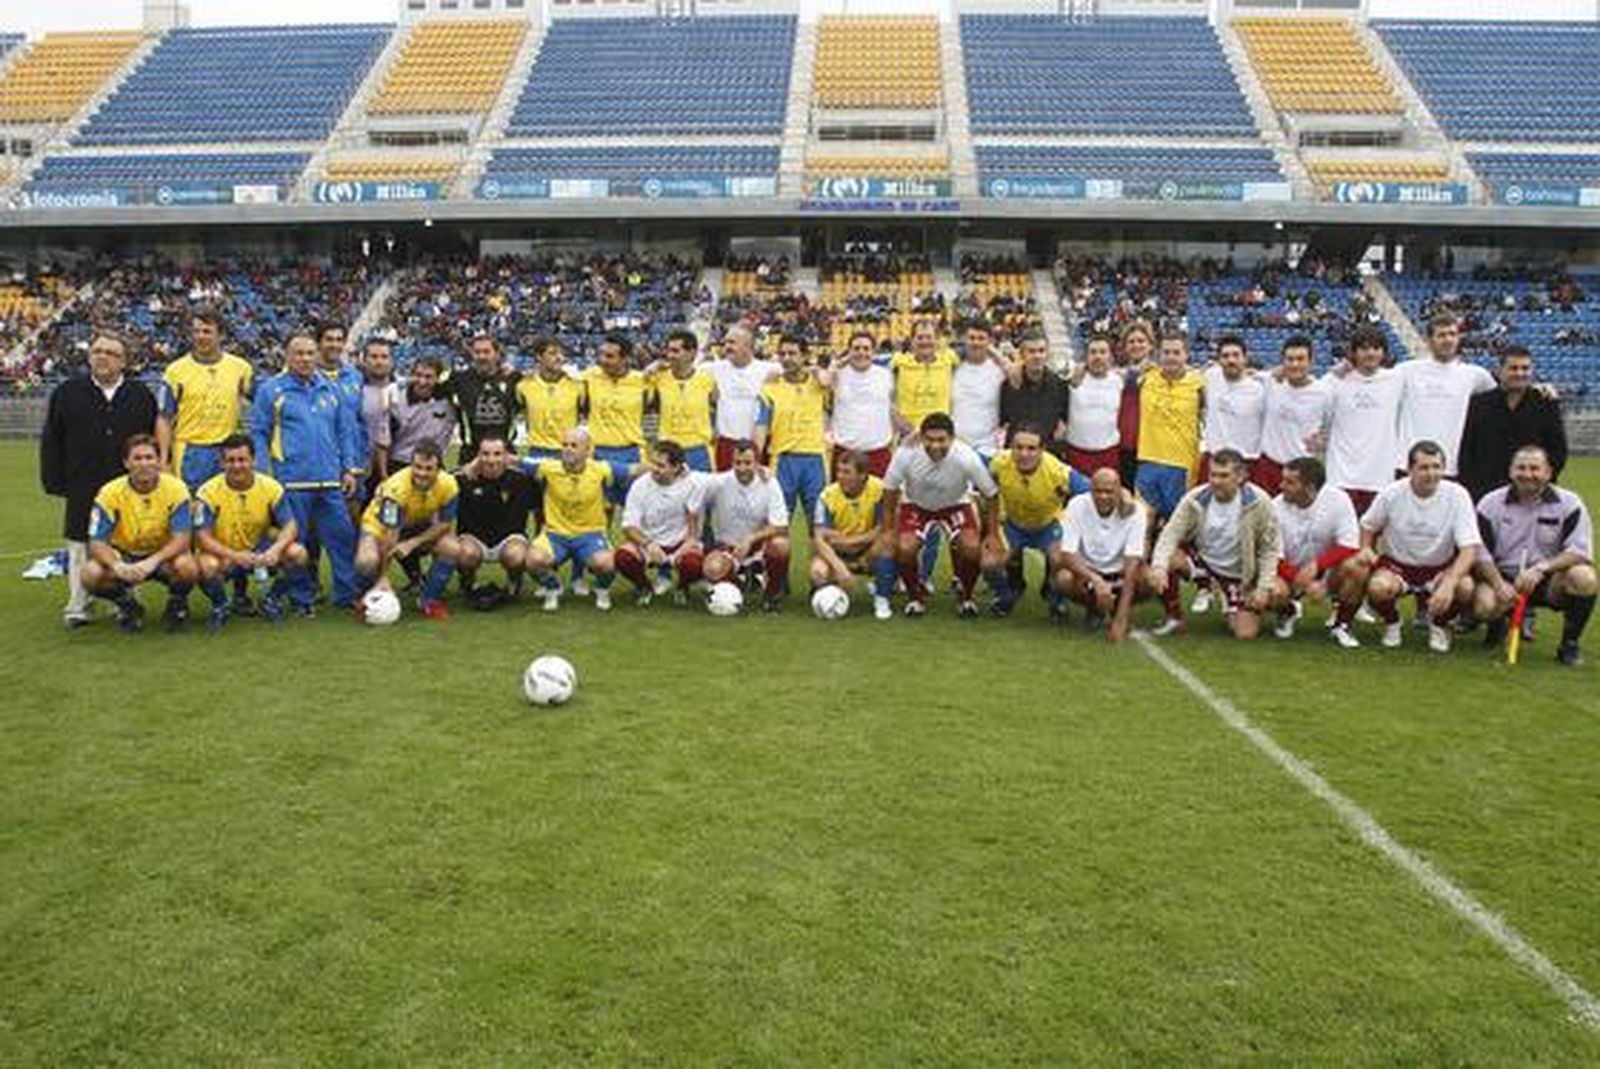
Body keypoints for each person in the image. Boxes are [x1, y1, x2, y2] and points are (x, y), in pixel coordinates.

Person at [39, 328, 159, 628]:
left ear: (124, 361)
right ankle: (78, 604)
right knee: (80, 544)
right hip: (82, 482)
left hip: (127, 485)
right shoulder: (66, 392)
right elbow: (52, 439)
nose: (103, 357)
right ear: (89, 356)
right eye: (98, 352)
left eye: (111, 353)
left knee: (125, 543)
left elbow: (150, 439)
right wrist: (54, 480)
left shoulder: (140, 394)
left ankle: (126, 601)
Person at [251, 330, 364, 611]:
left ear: (317, 356)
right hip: (291, 482)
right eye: (298, 353)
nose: (304, 358)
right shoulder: (271, 390)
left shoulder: (329, 387)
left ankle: (347, 596)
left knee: (342, 539)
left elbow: (344, 431)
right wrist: (265, 474)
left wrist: (349, 468)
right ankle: (301, 599)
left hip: (329, 481)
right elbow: (259, 434)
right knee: (297, 544)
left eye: (309, 353)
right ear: (287, 356)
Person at [1471, 445, 1594, 666]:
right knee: (1484, 606)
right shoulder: (1490, 503)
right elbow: (1479, 552)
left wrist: (1541, 569)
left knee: (1584, 577)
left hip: (1548, 578)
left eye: (1535, 468)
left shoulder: (1570, 503)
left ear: (1548, 472)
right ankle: (1497, 624)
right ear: (1510, 471)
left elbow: (1579, 551)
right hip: (1504, 577)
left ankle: (1570, 644)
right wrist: (1498, 583)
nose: (1528, 474)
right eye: (1521, 468)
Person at [1357, 440, 1481, 653]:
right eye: (1424, 467)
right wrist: (1366, 548)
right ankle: (1392, 621)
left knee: (1465, 587)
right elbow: (1367, 525)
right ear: (1409, 470)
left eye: (1436, 467)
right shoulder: (1392, 493)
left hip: (1439, 567)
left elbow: (1470, 548)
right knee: (1378, 588)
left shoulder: (1458, 495)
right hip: (1398, 566)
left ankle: (1440, 625)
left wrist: (1449, 583)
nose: (1431, 474)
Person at [1146, 448, 1280, 640]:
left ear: (1241, 476)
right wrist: (1158, 566)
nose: (1216, 481)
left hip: (1240, 575)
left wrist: (1263, 587)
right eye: (1213, 474)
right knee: (1168, 559)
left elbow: (1269, 549)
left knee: (1246, 633)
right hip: (1204, 565)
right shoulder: (1195, 499)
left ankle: (1251, 604)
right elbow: (1170, 533)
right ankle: (1175, 615)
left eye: (1223, 476)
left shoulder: (1259, 502)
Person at [880, 412, 1002, 619]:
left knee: (972, 548)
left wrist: (992, 533)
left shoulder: (966, 457)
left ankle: (966, 597)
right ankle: (915, 597)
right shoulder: (905, 454)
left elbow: (991, 495)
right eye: (930, 439)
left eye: (941, 440)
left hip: (955, 505)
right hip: (916, 506)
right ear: (921, 438)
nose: (935, 446)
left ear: (952, 439)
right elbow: (889, 492)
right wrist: (888, 530)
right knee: (905, 548)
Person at [79, 433, 199, 632]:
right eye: (137, 458)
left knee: (188, 566)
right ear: (126, 462)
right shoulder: (109, 493)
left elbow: (183, 539)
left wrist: (153, 561)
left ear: (159, 461)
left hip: (162, 556)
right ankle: (127, 605)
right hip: (125, 555)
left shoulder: (176, 489)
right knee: (90, 573)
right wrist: (117, 565)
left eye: (149, 457)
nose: (144, 464)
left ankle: (177, 605)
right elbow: (96, 542)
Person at [192, 433, 309, 629]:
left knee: (298, 553)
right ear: (221, 463)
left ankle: (272, 599)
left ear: (253, 460)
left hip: (259, 551)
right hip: (226, 553)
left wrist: (275, 550)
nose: (237, 466)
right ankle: (221, 605)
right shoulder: (207, 492)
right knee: (206, 565)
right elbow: (202, 537)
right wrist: (235, 555)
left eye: (242, 460)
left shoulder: (271, 487)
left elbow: (290, 525)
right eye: (230, 460)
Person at [984, 424, 1089, 618]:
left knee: (1060, 560)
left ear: (1042, 450)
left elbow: (1092, 490)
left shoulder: (1058, 471)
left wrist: (1124, 496)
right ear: (1011, 447)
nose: (1024, 454)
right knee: (989, 563)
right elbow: (968, 456)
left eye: (1031, 449)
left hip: (1048, 526)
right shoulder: (998, 462)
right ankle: (1004, 597)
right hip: (1013, 525)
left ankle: (1056, 601)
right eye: (1019, 447)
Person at [356, 440, 461, 620]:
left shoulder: (449, 485)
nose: (422, 473)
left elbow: (445, 524)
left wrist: (413, 543)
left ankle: (428, 600)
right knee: (366, 560)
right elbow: (389, 535)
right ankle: (368, 596)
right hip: (379, 527)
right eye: (417, 467)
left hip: (416, 525)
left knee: (453, 548)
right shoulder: (395, 489)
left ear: (439, 469)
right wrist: (383, 576)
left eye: (428, 468)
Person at [521, 427, 623, 612]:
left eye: (574, 445)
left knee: (607, 563)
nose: (567, 449)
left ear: (587, 450)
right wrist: (476, 463)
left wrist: (676, 468)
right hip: (555, 534)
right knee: (532, 560)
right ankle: (553, 587)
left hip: (590, 535)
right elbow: (515, 461)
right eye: (565, 445)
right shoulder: (548, 468)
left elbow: (634, 469)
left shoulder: (601, 469)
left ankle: (602, 589)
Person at [1269, 456, 1363, 648]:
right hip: (1288, 571)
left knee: (1358, 566)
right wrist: (1304, 581)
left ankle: (1342, 625)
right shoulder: (1275, 507)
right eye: (1283, 479)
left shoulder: (1338, 499)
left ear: (1310, 488)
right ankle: (1287, 611)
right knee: (1271, 591)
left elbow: (1350, 545)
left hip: (1328, 572)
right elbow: (1273, 558)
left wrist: (1317, 566)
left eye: (1290, 482)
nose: (1281, 486)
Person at [157, 307, 254, 490]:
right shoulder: (175, 371)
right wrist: (164, 460)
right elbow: (164, 418)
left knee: (224, 508)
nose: (201, 336)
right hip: (189, 453)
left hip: (226, 452)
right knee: (191, 509)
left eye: (207, 331)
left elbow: (264, 401)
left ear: (220, 336)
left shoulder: (241, 368)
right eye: (196, 331)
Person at [1457, 345, 1567, 501]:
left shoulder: (1545, 403)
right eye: (1513, 368)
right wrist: (1472, 486)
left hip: (1533, 492)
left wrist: (1542, 480)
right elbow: (1466, 450)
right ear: (1500, 370)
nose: (1519, 373)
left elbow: (1558, 450)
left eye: (1525, 368)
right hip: (1485, 493)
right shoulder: (1478, 404)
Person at [1394, 312, 1495, 478]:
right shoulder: (1406, 371)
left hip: (1449, 467)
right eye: (1441, 335)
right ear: (1429, 339)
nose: (1448, 340)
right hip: (1408, 465)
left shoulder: (1475, 375)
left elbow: (1506, 394)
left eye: (1452, 334)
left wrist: (1541, 388)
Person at [1055, 467, 1149, 642]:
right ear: (1090, 489)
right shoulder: (1077, 504)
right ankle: (1095, 609)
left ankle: (1115, 609)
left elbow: (1132, 564)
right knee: (1063, 578)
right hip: (1089, 572)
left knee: (1148, 578)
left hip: (1120, 574)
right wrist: (1095, 580)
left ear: (1120, 490)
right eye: (1098, 491)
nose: (1103, 496)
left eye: (1109, 492)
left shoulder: (1136, 510)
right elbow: (1067, 554)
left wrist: (1121, 618)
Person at [700, 440, 792, 612]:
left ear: (757, 463)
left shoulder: (769, 483)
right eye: (738, 463)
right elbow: (688, 481)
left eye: (748, 463)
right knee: (711, 568)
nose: (742, 468)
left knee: (781, 545)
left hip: (758, 547)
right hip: (729, 547)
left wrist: (750, 539)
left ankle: (771, 597)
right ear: (732, 462)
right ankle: (742, 583)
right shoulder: (719, 483)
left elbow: (781, 526)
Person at [1325, 326, 1404, 517]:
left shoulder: (1397, 378)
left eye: (1376, 348)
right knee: (1343, 531)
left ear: (1384, 352)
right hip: (1341, 473)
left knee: (1372, 532)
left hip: (1380, 473)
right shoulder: (1335, 380)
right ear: (1354, 352)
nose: (1371, 353)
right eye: (1364, 348)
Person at [615, 440, 706, 604]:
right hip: (649, 542)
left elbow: (693, 531)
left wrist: (684, 548)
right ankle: (643, 587)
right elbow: (629, 526)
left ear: (676, 467)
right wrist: (648, 544)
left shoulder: (692, 484)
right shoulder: (640, 485)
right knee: (623, 557)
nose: (654, 469)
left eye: (661, 465)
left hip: (680, 543)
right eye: (653, 463)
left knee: (694, 565)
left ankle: (682, 587)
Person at [811, 448, 897, 620]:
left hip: (868, 551)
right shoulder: (827, 496)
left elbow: (884, 528)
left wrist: (849, 541)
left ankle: (882, 598)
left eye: (847, 472)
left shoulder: (879, 489)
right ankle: (831, 596)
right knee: (818, 571)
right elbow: (819, 537)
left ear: (863, 475)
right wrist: (840, 568)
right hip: (839, 553)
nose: (841, 476)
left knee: (888, 542)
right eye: (838, 471)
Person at [756, 333, 830, 529]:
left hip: (815, 459)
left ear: (805, 356)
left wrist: (818, 371)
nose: (786, 358)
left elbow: (832, 382)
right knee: (778, 525)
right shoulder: (770, 387)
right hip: (782, 460)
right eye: (782, 354)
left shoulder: (819, 384)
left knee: (818, 525)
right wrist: (755, 458)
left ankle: (818, 560)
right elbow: (761, 426)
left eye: (792, 353)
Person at [1133, 332, 1204, 527]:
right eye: (1166, 352)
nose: (1171, 357)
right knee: (1142, 524)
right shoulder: (1145, 378)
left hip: (1182, 464)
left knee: (1176, 527)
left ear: (1186, 355)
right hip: (1148, 460)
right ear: (1158, 355)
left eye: (1176, 352)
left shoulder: (1200, 383)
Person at [454, 435, 536, 601]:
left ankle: (514, 582)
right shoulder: (463, 478)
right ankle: (467, 582)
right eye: (485, 454)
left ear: (506, 456)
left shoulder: (521, 478)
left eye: (497, 454)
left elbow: (552, 468)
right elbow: (436, 478)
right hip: (473, 538)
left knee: (516, 556)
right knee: (465, 554)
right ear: (478, 456)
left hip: (509, 539)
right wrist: (466, 468)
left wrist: (519, 461)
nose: (491, 460)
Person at [1256, 335, 1331, 496]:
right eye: (1290, 359)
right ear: (1282, 362)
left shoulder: (1324, 393)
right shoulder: (1270, 382)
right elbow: (1243, 375)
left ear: (1311, 362)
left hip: (1302, 471)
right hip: (1269, 467)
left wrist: (1320, 441)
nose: (1295, 364)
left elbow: (1331, 426)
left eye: (1300, 359)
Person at [582, 333, 651, 505]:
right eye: (602, 354)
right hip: (598, 452)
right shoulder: (589, 377)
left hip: (631, 452)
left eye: (610, 356)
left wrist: (658, 364)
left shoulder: (642, 380)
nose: (603, 360)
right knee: (600, 510)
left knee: (635, 509)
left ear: (626, 358)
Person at [703, 324, 779, 469]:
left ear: (747, 345)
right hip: (727, 444)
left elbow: (800, 371)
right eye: (725, 342)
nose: (727, 346)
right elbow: (683, 369)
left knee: (757, 489)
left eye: (732, 342)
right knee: (725, 488)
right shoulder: (714, 369)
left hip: (757, 444)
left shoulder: (769, 369)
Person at [1199, 334, 1266, 484]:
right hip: (1214, 460)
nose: (1231, 360)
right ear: (1218, 361)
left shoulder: (1260, 389)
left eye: (1236, 355)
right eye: (1225, 356)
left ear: (1245, 358)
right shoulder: (1210, 377)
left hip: (1246, 462)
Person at [648, 329, 717, 472]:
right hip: (668, 450)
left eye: (675, 351)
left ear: (691, 353)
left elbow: (718, 409)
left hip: (698, 450)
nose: (669, 355)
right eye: (668, 351)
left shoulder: (707, 380)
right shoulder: (657, 379)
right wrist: (649, 369)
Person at [829, 329, 895, 477]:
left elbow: (892, 408)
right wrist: (836, 364)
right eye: (856, 348)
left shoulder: (885, 375)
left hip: (878, 452)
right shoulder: (837, 375)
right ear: (849, 351)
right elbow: (823, 380)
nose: (861, 353)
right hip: (845, 453)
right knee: (841, 499)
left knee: (882, 499)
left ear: (874, 352)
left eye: (866, 348)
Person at [447, 334, 517, 463]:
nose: (481, 356)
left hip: (505, 453)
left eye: (486, 352)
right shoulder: (459, 379)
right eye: (477, 352)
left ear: (497, 354)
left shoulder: (514, 379)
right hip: (470, 453)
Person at [1000, 329, 1069, 457]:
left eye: (1041, 351)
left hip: (1048, 456)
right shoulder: (1009, 385)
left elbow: (1066, 420)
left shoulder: (1060, 386)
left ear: (1047, 354)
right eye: (1031, 351)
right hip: (1016, 457)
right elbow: (1001, 419)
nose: (1037, 356)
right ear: (1022, 355)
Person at [1062, 332, 1123, 477]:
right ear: (1086, 357)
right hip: (1077, 454)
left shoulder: (1120, 381)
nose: (1098, 357)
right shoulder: (1073, 379)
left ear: (1111, 356)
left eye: (1103, 352)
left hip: (1108, 454)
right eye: (1093, 352)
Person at [950, 318, 1012, 460]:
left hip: (988, 448)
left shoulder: (999, 370)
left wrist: (995, 353)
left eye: (981, 338)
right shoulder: (953, 368)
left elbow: (1016, 376)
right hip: (955, 447)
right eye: (971, 338)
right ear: (964, 340)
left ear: (989, 341)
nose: (976, 342)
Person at [515, 336, 584, 463]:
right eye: (553, 353)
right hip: (537, 451)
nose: (559, 358)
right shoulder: (523, 386)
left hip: (567, 450)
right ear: (538, 357)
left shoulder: (577, 385)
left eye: (562, 354)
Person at [891, 319, 958, 438]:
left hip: (940, 434)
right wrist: (899, 420)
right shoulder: (898, 363)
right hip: (908, 434)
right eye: (920, 337)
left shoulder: (949, 360)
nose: (925, 342)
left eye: (929, 337)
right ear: (912, 341)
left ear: (937, 340)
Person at [388, 355, 457, 469]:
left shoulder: (448, 400)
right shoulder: (396, 397)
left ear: (437, 378)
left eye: (428, 377)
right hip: (400, 462)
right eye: (418, 375)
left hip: (433, 463)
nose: (422, 381)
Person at [359, 335, 397, 493]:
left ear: (392, 361)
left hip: (396, 465)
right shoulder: (354, 391)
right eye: (373, 357)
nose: (379, 361)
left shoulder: (403, 390)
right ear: (364, 360)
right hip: (360, 466)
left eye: (384, 357)